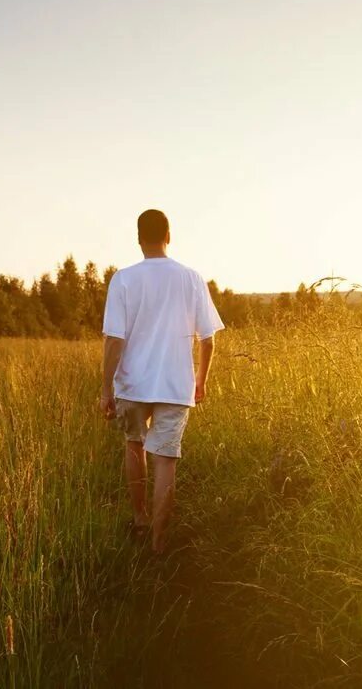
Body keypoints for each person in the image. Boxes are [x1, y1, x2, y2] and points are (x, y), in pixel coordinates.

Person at [99, 208, 223, 554]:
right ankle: (158, 544)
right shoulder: (191, 278)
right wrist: (201, 379)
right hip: (174, 385)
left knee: (134, 445)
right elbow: (208, 338)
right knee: (165, 461)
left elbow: (113, 340)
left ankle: (139, 519)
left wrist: (106, 390)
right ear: (169, 236)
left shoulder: (123, 279)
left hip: (133, 384)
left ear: (139, 239)